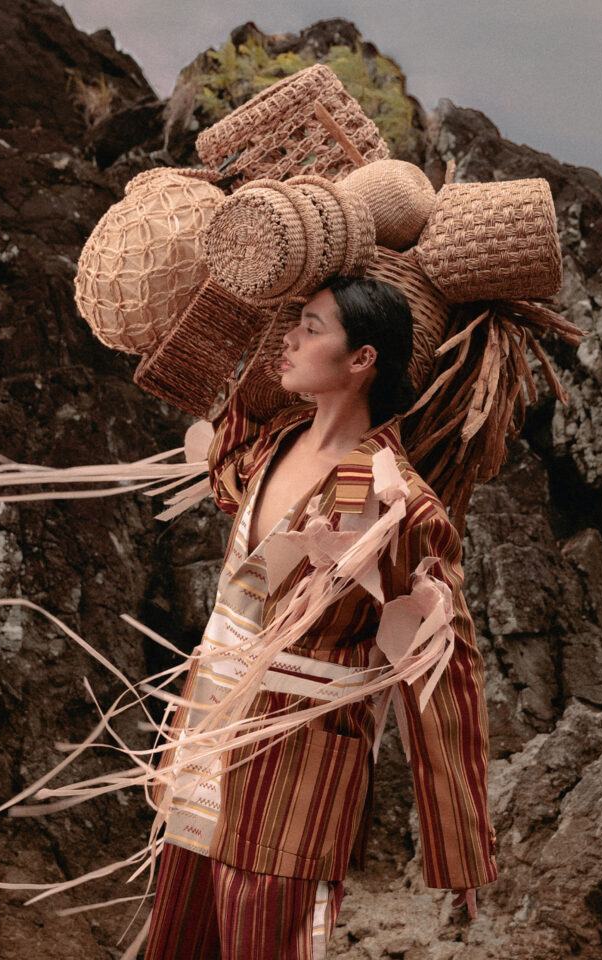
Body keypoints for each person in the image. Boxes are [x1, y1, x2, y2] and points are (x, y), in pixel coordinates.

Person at [142, 277, 496, 959]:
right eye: (293, 323)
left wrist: (458, 845)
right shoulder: (268, 450)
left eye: (311, 326)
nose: (290, 338)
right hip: (203, 744)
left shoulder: (397, 504)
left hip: (296, 775)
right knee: (177, 944)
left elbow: (443, 667)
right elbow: (231, 422)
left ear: (362, 359)